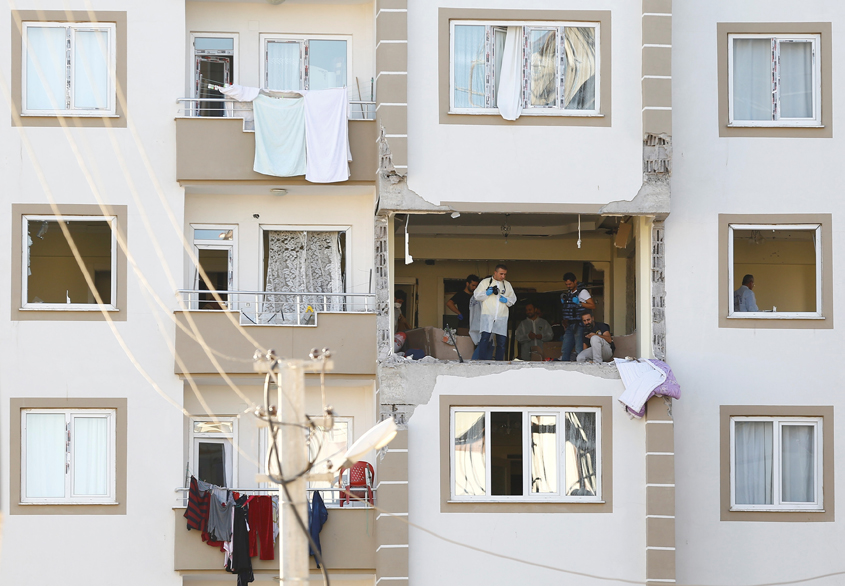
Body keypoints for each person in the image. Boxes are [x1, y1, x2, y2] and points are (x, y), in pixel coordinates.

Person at [471, 264, 516, 361]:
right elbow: (476, 296)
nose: (503, 276)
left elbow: (513, 299)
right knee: (484, 339)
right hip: (488, 316)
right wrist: (486, 293)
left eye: (504, 274)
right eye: (501, 274)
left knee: (501, 342)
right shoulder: (485, 282)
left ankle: (499, 362)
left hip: (501, 317)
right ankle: (482, 361)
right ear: (495, 273)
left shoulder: (507, 285)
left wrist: (506, 300)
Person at [559, 272, 596, 361]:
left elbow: (592, 306)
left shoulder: (582, 292)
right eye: (566, 284)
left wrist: (580, 303)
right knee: (565, 349)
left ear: (575, 281)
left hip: (579, 325)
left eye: (570, 284)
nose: (568, 286)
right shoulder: (569, 293)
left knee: (579, 349)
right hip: (570, 325)